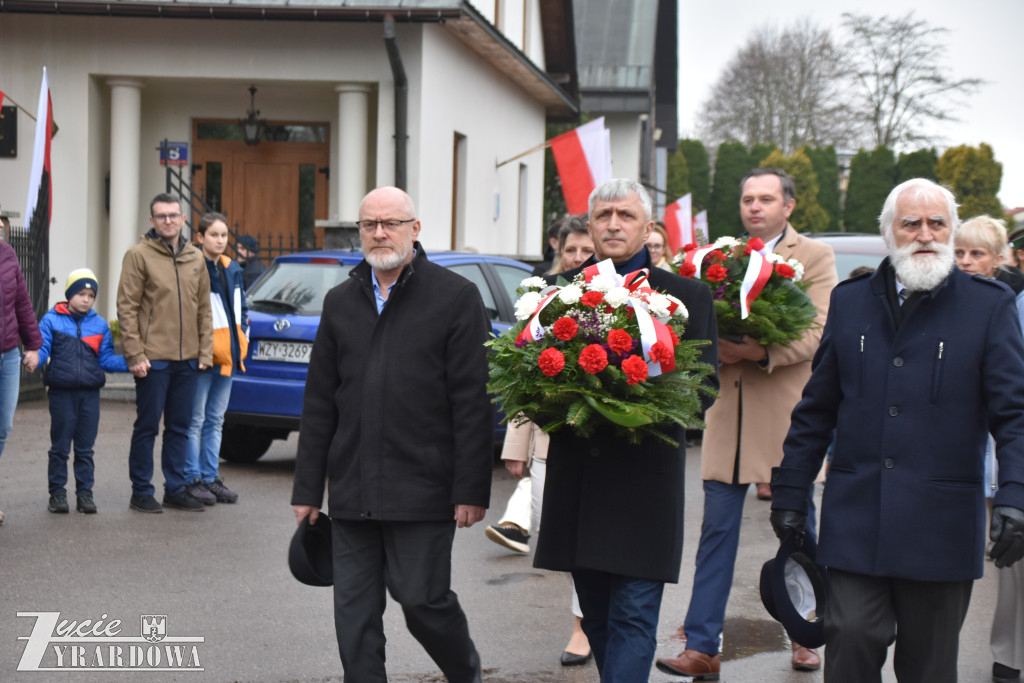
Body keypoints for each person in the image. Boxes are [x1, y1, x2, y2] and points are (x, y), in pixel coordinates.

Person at [770, 178, 1024, 683]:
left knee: (928, 666)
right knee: (850, 639)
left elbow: (1014, 414)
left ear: (950, 231)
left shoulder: (988, 306)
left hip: (942, 527)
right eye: (911, 223)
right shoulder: (850, 301)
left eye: (937, 223)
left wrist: (1016, 494)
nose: (925, 234)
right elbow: (816, 409)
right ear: (889, 234)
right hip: (856, 518)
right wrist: (790, 488)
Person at [291, 186, 492, 683]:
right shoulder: (340, 301)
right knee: (354, 618)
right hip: (353, 488)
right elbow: (319, 402)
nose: (379, 233)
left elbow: (473, 402)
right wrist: (307, 489)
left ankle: (466, 673)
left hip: (424, 487)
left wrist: (471, 489)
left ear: (415, 229)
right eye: (369, 224)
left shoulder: (456, 297)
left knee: (423, 600)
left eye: (391, 223)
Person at [534, 178, 720, 682]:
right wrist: (569, 397)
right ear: (589, 224)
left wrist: (632, 402)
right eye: (603, 215)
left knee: (634, 616)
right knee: (595, 616)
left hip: (645, 486)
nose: (613, 224)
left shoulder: (686, 296)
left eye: (626, 215)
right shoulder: (556, 294)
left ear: (647, 226)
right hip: (581, 485)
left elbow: (703, 393)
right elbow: (530, 381)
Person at [658, 168, 837, 679]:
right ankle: (701, 644)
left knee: (797, 530)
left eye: (765, 199)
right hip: (727, 418)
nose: (754, 207)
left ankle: (807, 632)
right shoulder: (715, 259)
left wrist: (759, 350)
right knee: (715, 532)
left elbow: (820, 330)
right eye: (747, 199)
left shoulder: (815, 257)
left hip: (787, 420)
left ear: (789, 206)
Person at [486, 215, 594, 666]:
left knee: (591, 543)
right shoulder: (542, 298)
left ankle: (582, 627)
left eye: (587, 251)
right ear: (559, 252)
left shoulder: (623, 302)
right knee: (563, 542)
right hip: (550, 444)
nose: (577, 258)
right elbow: (523, 376)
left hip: (599, 444)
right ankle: (588, 613)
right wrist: (516, 445)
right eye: (571, 250)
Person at [952, 215, 1024, 683]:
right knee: (1013, 565)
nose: (966, 262)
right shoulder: (1014, 306)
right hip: (1006, 448)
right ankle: (1009, 656)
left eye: (977, 253)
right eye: (961, 253)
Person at [117, 193, 213, 513]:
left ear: (183, 219)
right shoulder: (138, 255)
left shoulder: (195, 258)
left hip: (187, 359)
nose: (168, 221)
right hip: (153, 358)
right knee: (147, 427)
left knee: (180, 428)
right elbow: (127, 308)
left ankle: (175, 488)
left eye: (173, 215)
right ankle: (141, 490)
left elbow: (204, 310)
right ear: (152, 221)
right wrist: (134, 353)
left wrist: (205, 352)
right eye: (161, 216)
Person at [36, 269, 128, 514]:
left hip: (89, 395)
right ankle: (57, 493)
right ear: (69, 295)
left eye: (91, 295)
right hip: (61, 393)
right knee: (60, 447)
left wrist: (133, 363)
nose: (86, 299)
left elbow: (107, 359)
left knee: (85, 448)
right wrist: (33, 358)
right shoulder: (51, 320)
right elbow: (43, 349)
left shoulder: (99, 325)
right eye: (80, 293)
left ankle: (85, 493)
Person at [184, 213, 248, 506]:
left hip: (228, 355)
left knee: (215, 420)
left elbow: (241, 308)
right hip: (202, 357)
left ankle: (210, 477)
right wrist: (197, 350)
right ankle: (191, 478)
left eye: (224, 235)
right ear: (200, 237)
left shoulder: (231, 268)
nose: (220, 240)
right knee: (194, 420)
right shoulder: (191, 266)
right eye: (214, 235)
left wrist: (242, 338)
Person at [0, 234, 42, 523]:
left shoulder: (7, 253)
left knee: (3, 425)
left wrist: (33, 345)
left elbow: (22, 302)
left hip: (8, 355)